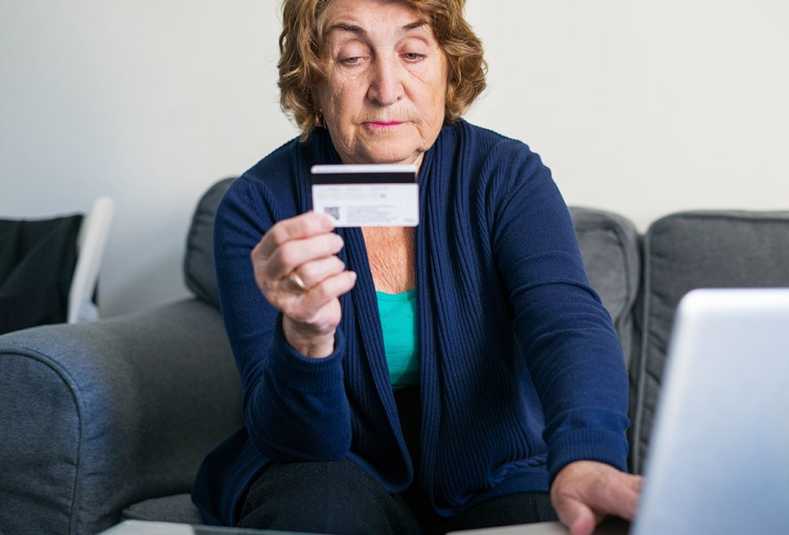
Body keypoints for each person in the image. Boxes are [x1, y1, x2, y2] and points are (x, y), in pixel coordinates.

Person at [191, 0, 642, 533]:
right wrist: (306, 339)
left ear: (448, 65)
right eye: (352, 57)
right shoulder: (259, 206)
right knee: (314, 509)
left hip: (493, 464)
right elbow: (298, 442)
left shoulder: (506, 176)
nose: (386, 89)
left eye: (412, 53)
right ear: (312, 77)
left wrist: (586, 453)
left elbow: (566, 322)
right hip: (331, 465)